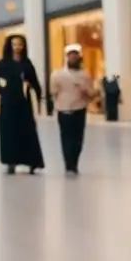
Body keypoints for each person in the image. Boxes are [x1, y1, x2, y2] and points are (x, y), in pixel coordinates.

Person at [0, 34, 44, 174]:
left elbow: (35, 82)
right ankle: (11, 161)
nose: (17, 47)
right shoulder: (3, 63)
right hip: (8, 103)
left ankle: (32, 161)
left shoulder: (27, 64)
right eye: (14, 44)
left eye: (20, 44)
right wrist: (3, 90)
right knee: (9, 132)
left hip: (24, 103)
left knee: (28, 131)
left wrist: (39, 98)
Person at [50, 44, 94, 176]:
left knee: (78, 138)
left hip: (80, 109)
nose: (73, 57)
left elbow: (90, 93)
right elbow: (53, 91)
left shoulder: (85, 75)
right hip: (63, 109)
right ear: (66, 57)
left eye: (75, 55)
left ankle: (74, 162)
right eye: (70, 55)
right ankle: (69, 164)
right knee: (66, 137)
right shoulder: (57, 74)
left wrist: (85, 90)